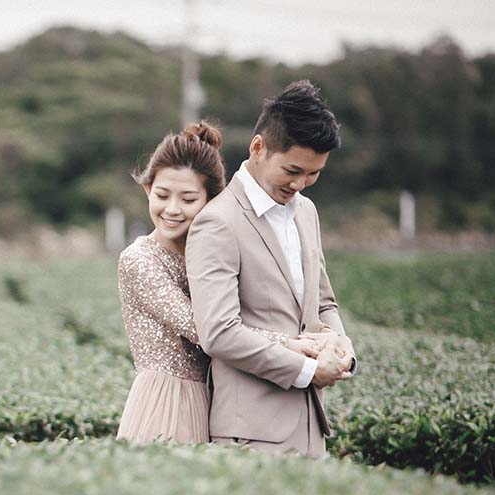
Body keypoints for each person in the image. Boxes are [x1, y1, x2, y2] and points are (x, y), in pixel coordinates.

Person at [116, 121, 321, 445]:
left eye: (187, 199)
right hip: (166, 402)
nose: (172, 209)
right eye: (162, 195)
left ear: (210, 200)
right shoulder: (139, 259)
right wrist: (286, 343)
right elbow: (204, 327)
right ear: (147, 190)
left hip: (215, 402)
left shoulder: (211, 254)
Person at [186, 80, 356, 457]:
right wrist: (308, 371)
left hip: (312, 428)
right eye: (293, 170)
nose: (301, 184)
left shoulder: (307, 212)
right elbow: (218, 332)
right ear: (258, 147)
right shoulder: (218, 222)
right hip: (251, 434)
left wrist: (342, 349)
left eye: (314, 174)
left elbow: (324, 304)